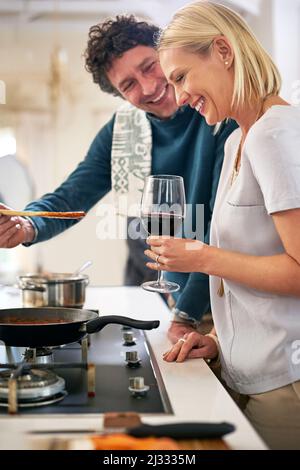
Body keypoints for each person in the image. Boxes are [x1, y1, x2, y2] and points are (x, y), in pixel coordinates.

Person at [0, 15, 237, 342]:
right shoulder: (122, 132)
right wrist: (28, 225)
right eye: (128, 85)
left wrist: (186, 313)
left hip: (213, 302)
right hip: (152, 294)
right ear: (118, 94)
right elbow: (70, 197)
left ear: (166, 55)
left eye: (149, 66)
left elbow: (215, 227)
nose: (149, 87)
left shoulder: (216, 113)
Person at [145, 1, 300, 450]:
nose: (177, 97)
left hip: (284, 384)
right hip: (250, 373)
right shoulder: (237, 139)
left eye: (180, 77)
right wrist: (216, 340)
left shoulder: (276, 134)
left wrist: (203, 257)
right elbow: (255, 267)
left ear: (223, 51)